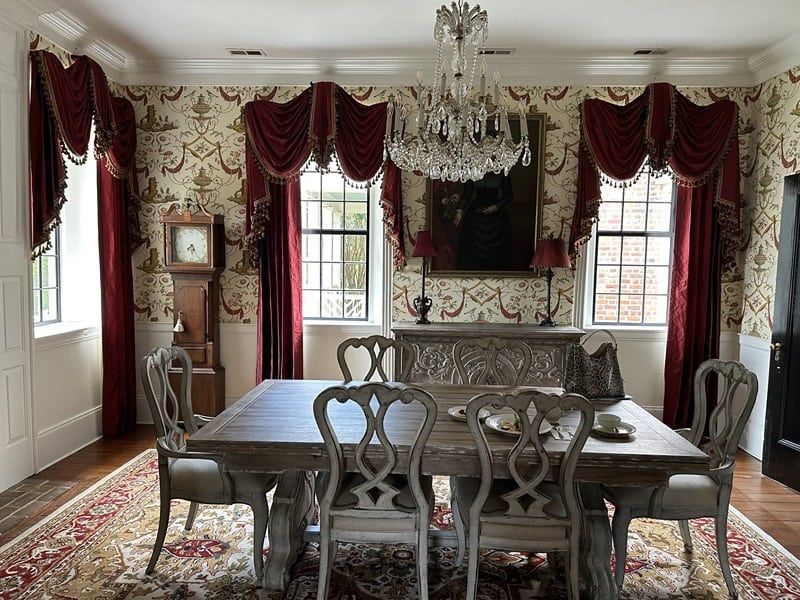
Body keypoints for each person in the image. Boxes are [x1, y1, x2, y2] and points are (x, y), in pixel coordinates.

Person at [453, 172, 514, 270]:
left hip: (496, 214)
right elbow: (467, 193)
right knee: (469, 243)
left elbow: (509, 195)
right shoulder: (473, 169)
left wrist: (495, 207)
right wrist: (459, 211)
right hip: (476, 214)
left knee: (501, 249)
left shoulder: (502, 171)